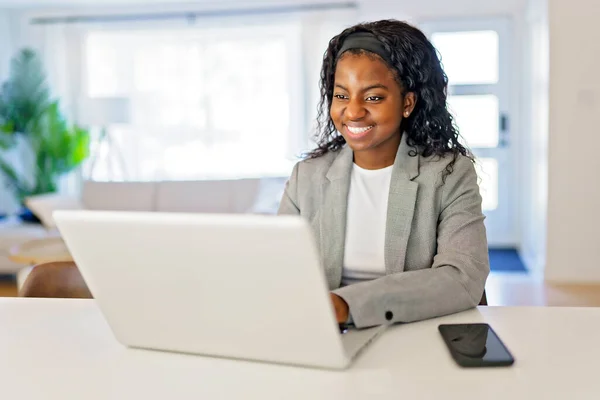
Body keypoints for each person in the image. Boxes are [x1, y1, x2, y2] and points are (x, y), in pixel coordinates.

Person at [277, 19, 490, 329]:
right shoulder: (306, 176)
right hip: (327, 336)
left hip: (417, 333)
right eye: (341, 95)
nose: (353, 112)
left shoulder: (448, 173)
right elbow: (280, 268)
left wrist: (347, 305)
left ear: (407, 103)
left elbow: (462, 276)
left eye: (373, 97)